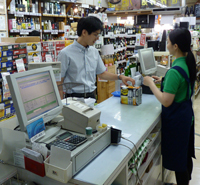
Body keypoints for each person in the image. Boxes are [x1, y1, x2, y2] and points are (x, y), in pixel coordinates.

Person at [143, 28, 196, 185]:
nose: (166, 44)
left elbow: (166, 101)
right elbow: (180, 85)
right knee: (184, 155)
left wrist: (151, 83)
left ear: (176, 46)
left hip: (176, 120)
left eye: (168, 42)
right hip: (186, 116)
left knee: (178, 160)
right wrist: (163, 81)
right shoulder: (188, 62)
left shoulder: (174, 71)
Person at [58, 16, 135, 99]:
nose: (97, 38)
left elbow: (102, 73)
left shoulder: (94, 51)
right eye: (95, 34)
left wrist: (120, 77)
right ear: (84, 32)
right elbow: (59, 81)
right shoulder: (65, 53)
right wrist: (61, 106)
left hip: (91, 97)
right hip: (73, 98)